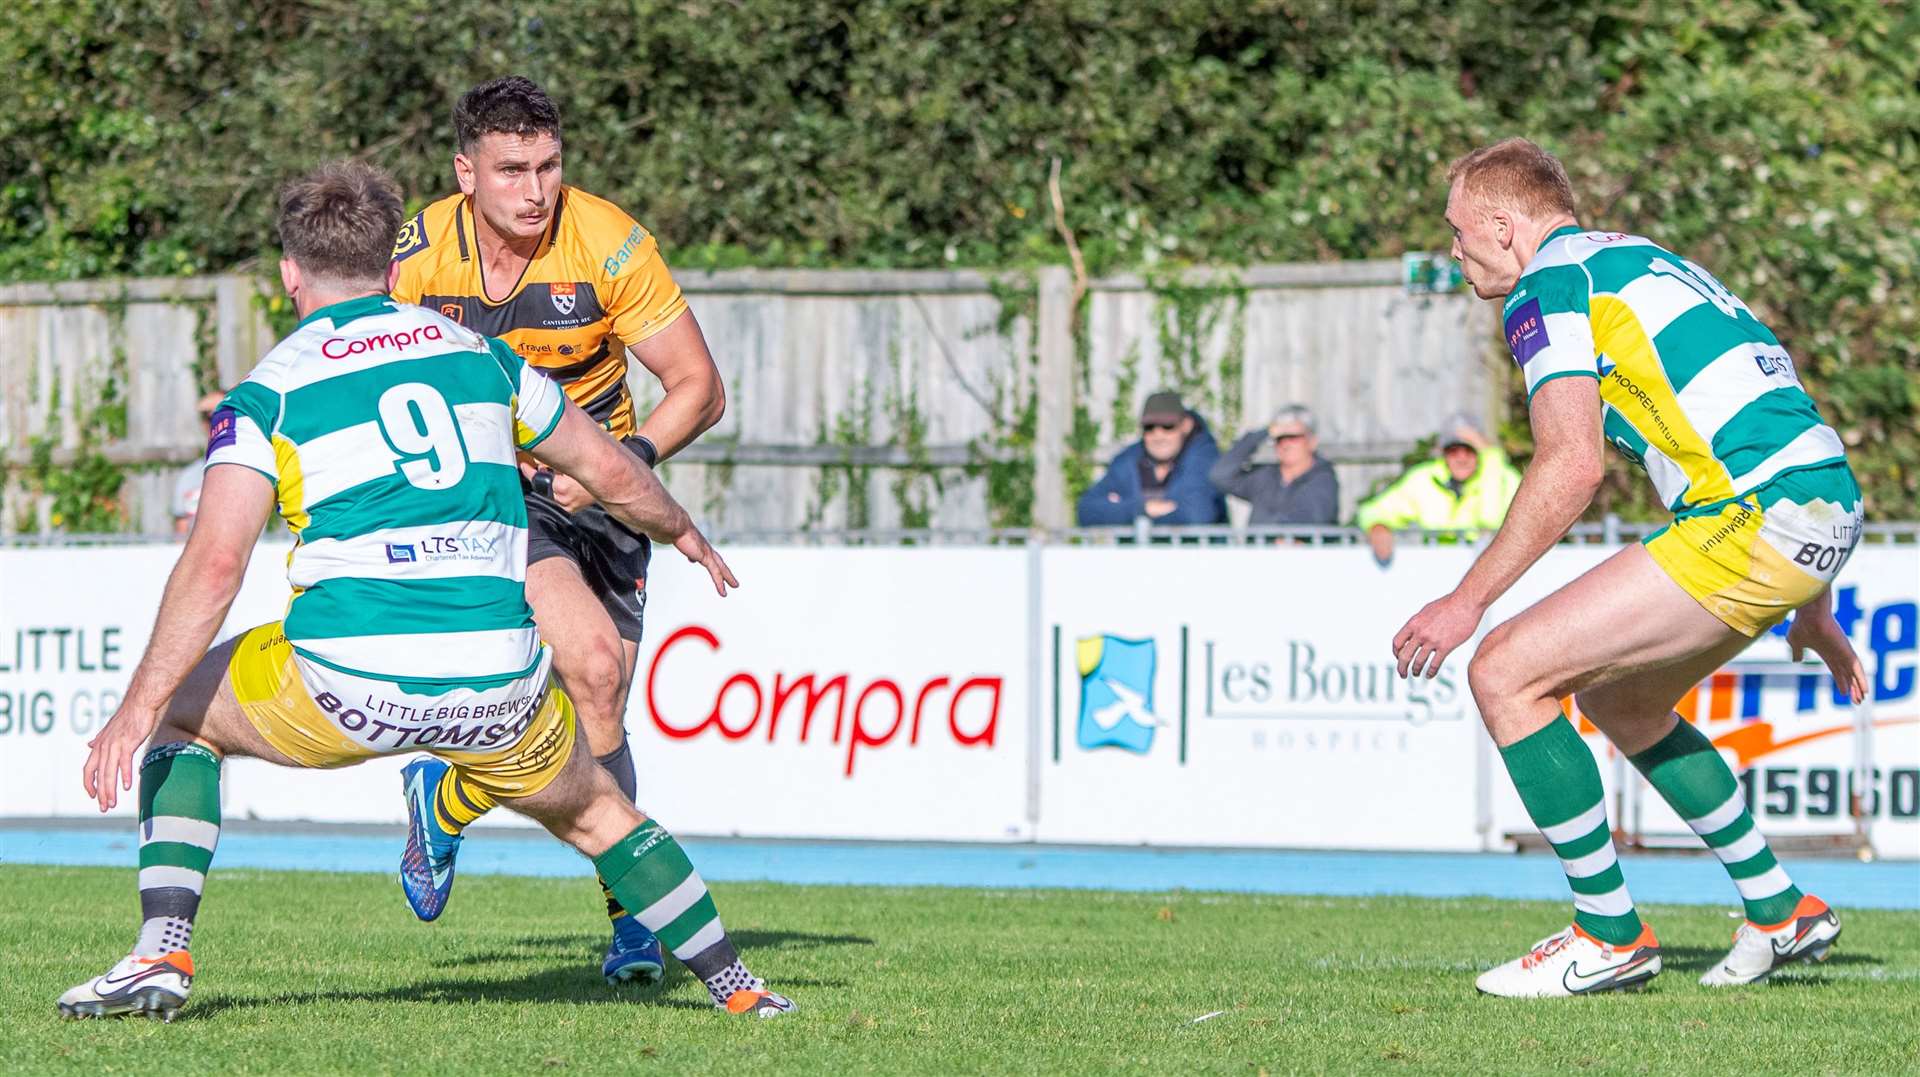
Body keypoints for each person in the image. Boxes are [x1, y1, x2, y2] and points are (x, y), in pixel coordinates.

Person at [57, 161, 789, 1022]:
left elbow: (216, 564)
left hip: (343, 685)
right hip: (500, 690)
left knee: (181, 715)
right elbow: (607, 468)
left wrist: (136, 706)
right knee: (600, 811)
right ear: (396, 271)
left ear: (290, 273)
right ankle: (742, 989)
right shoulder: (482, 357)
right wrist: (681, 528)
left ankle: (160, 954)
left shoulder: (268, 391)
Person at [1393, 138, 1866, 998]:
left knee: (1504, 669)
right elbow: (1771, 407)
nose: (1453, 254)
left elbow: (1571, 465)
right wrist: (1816, 604)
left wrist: (1465, 601)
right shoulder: (1640, 260)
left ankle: (1606, 933)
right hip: (1820, 503)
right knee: (1623, 698)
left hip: (1753, 512)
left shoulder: (1547, 287)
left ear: (1503, 226)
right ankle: (1778, 908)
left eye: (1459, 233)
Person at [388, 76, 727, 984]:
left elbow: (700, 385)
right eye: (510, 171)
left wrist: (632, 457)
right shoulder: (418, 255)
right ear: (467, 172)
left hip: (606, 488)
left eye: (548, 165)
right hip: (494, 495)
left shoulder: (610, 242)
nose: (534, 190)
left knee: (603, 700)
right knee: (591, 659)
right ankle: (643, 919)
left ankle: (449, 797)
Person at [1355, 413, 1521, 564]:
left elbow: (1521, 520)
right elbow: (1374, 510)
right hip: (1437, 573)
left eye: (1469, 450)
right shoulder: (1423, 479)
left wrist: (1491, 462)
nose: (1461, 458)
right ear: (1443, 452)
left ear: (1481, 451)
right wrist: (1377, 526)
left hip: (1493, 572)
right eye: (1453, 450)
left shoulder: (1505, 478)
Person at [1075, 390, 1224, 526]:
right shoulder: (1128, 459)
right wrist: (1142, 508)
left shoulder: (1204, 457)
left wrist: (1120, 512)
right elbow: (1086, 511)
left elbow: (1196, 516)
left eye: (1168, 426)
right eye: (1149, 427)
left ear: (1186, 425)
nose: (1158, 435)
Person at [1208, 404, 1339, 528]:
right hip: (1259, 549)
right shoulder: (1265, 477)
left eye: (1293, 437)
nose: (1286, 444)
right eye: (1280, 438)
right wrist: (1264, 433)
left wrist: (1280, 536)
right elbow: (1220, 475)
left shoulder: (1322, 480)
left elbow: (1315, 518)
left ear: (1312, 442)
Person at [169, 392, 226, 536]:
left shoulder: (258, 469)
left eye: (221, 413)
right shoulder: (189, 477)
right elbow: (181, 533)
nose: (214, 422)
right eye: (208, 417)